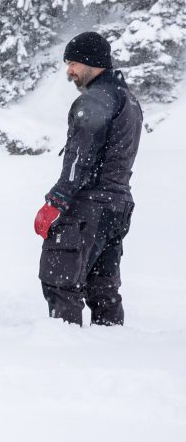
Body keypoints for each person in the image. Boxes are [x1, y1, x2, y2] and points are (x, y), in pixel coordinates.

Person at [34, 31, 142, 326]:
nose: (69, 71)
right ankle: (107, 349)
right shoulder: (128, 100)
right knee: (103, 289)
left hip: (87, 207)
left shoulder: (95, 99)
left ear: (94, 63)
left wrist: (56, 201)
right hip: (117, 207)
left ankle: (65, 351)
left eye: (74, 63)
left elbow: (80, 157)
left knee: (60, 281)